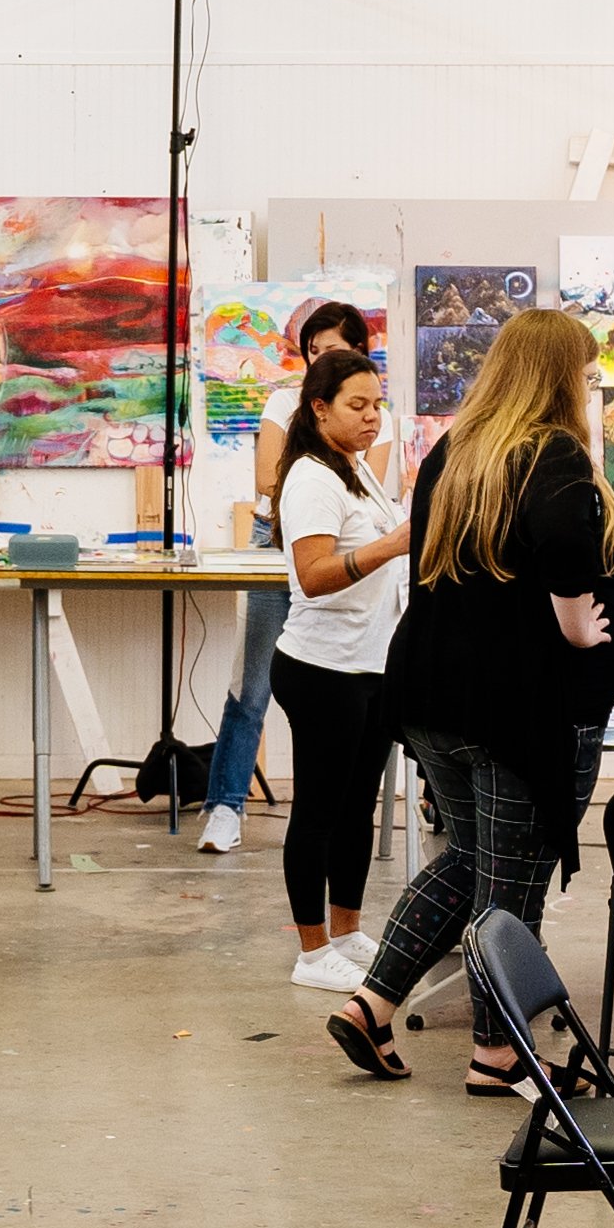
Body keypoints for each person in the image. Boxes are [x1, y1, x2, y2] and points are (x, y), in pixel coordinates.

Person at [320, 307, 614, 1091]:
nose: (591, 392)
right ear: (558, 376)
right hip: (512, 708)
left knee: (469, 858)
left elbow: (494, 556)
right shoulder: (551, 451)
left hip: (433, 696)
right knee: (512, 878)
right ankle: (498, 1054)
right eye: (588, 378)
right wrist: (575, 621)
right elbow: (561, 545)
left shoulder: (457, 449)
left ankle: (371, 1002)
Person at [193, 297, 377, 859]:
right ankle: (225, 804)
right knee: (252, 683)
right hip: (279, 544)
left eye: (336, 349)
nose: (322, 358)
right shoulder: (282, 400)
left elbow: (370, 485)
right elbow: (271, 479)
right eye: (314, 350)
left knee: (355, 694)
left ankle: (346, 819)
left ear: (360, 352)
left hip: (350, 549)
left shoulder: (374, 412)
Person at [267, 344, 409, 985]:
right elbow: (314, 575)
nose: (372, 416)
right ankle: (311, 950)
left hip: (370, 664)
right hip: (322, 668)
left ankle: (347, 933)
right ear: (319, 408)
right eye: (358, 405)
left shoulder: (354, 467)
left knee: (358, 809)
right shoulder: (310, 477)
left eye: (377, 404)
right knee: (320, 810)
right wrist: (390, 546)